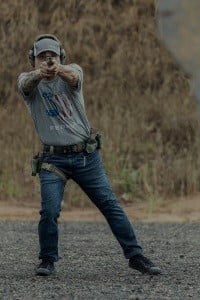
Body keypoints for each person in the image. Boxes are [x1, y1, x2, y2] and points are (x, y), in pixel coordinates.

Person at [17, 34, 161, 276]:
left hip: (85, 156)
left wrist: (57, 68)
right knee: (49, 211)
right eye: (42, 56)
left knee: (110, 205)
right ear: (33, 59)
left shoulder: (72, 71)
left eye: (51, 55)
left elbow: (73, 77)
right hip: (53, 159)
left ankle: (136, 256)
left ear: (61, 56)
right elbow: (25, 85)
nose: (47, 59)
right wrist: (40, 73)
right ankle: (47, 260)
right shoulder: (28, 80)